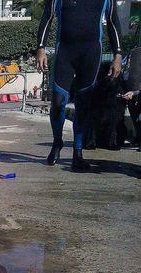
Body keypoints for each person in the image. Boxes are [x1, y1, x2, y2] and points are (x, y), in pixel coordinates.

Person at [36, 0, 123, 171]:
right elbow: (47, 16)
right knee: (58, 102)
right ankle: (57, 141)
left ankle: (78, 152)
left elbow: (113, 21)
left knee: (83, 103)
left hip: (91, 52)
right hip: (65, 51)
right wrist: (40, 48)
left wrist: (118, 55)